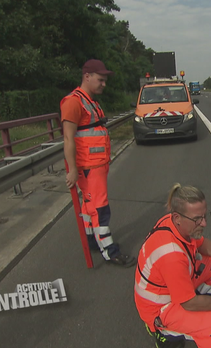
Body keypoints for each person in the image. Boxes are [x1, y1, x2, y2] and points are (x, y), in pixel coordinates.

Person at [134, 184, 211, 348]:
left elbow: (201, 243)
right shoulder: (171, 256)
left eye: (205, 216)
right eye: (197, 219)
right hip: (161, 308)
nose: (204, 223)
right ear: (177, 218)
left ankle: (202, 309)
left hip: (173, 289)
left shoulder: (172, 223)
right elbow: (188, 303)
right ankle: (163, 332)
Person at [60, 59, 136, 268]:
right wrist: (73, 170)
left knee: (89, 206)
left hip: (97, 164)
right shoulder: (73, 102)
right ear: (87, 76)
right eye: (100, 80)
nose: (104, 84)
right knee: (99, 209)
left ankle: (92, 240)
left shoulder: (90, 101)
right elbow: (68, 138)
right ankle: (110, 251)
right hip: (88, 167)